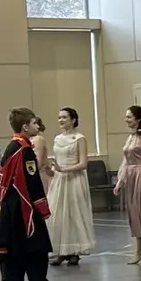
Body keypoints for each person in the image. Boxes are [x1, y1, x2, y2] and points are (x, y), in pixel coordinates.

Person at [0, 109, 62, 281]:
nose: (37, 126)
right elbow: (31, 182)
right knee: (36, 250)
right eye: (34, 123)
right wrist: (42, 208)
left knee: (13, 252)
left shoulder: (10, 146)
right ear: (25, 127)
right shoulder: (25, 149)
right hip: (24, 208)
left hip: (8, 207)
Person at [44, 106, 96, 264]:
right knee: (59, 214)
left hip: (74, 179)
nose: (61, 120)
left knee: (74, 215)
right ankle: (62, 250)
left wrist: (64, 169)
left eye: (64, 117)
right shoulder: (57, 139)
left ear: (73, 120)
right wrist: (51, 170)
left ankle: (74, 251)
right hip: (59, 179)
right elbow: (57, 162)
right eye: (59, 117)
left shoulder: (80, 138)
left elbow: (83, 163)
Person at [115, 105, 141, 264]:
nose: (126, 120)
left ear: (138, 119)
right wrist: (120, 181)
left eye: (129, 117)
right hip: (131, 176)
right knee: (134, 213)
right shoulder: (130, 137)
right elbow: (125, 162)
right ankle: (139, 251)